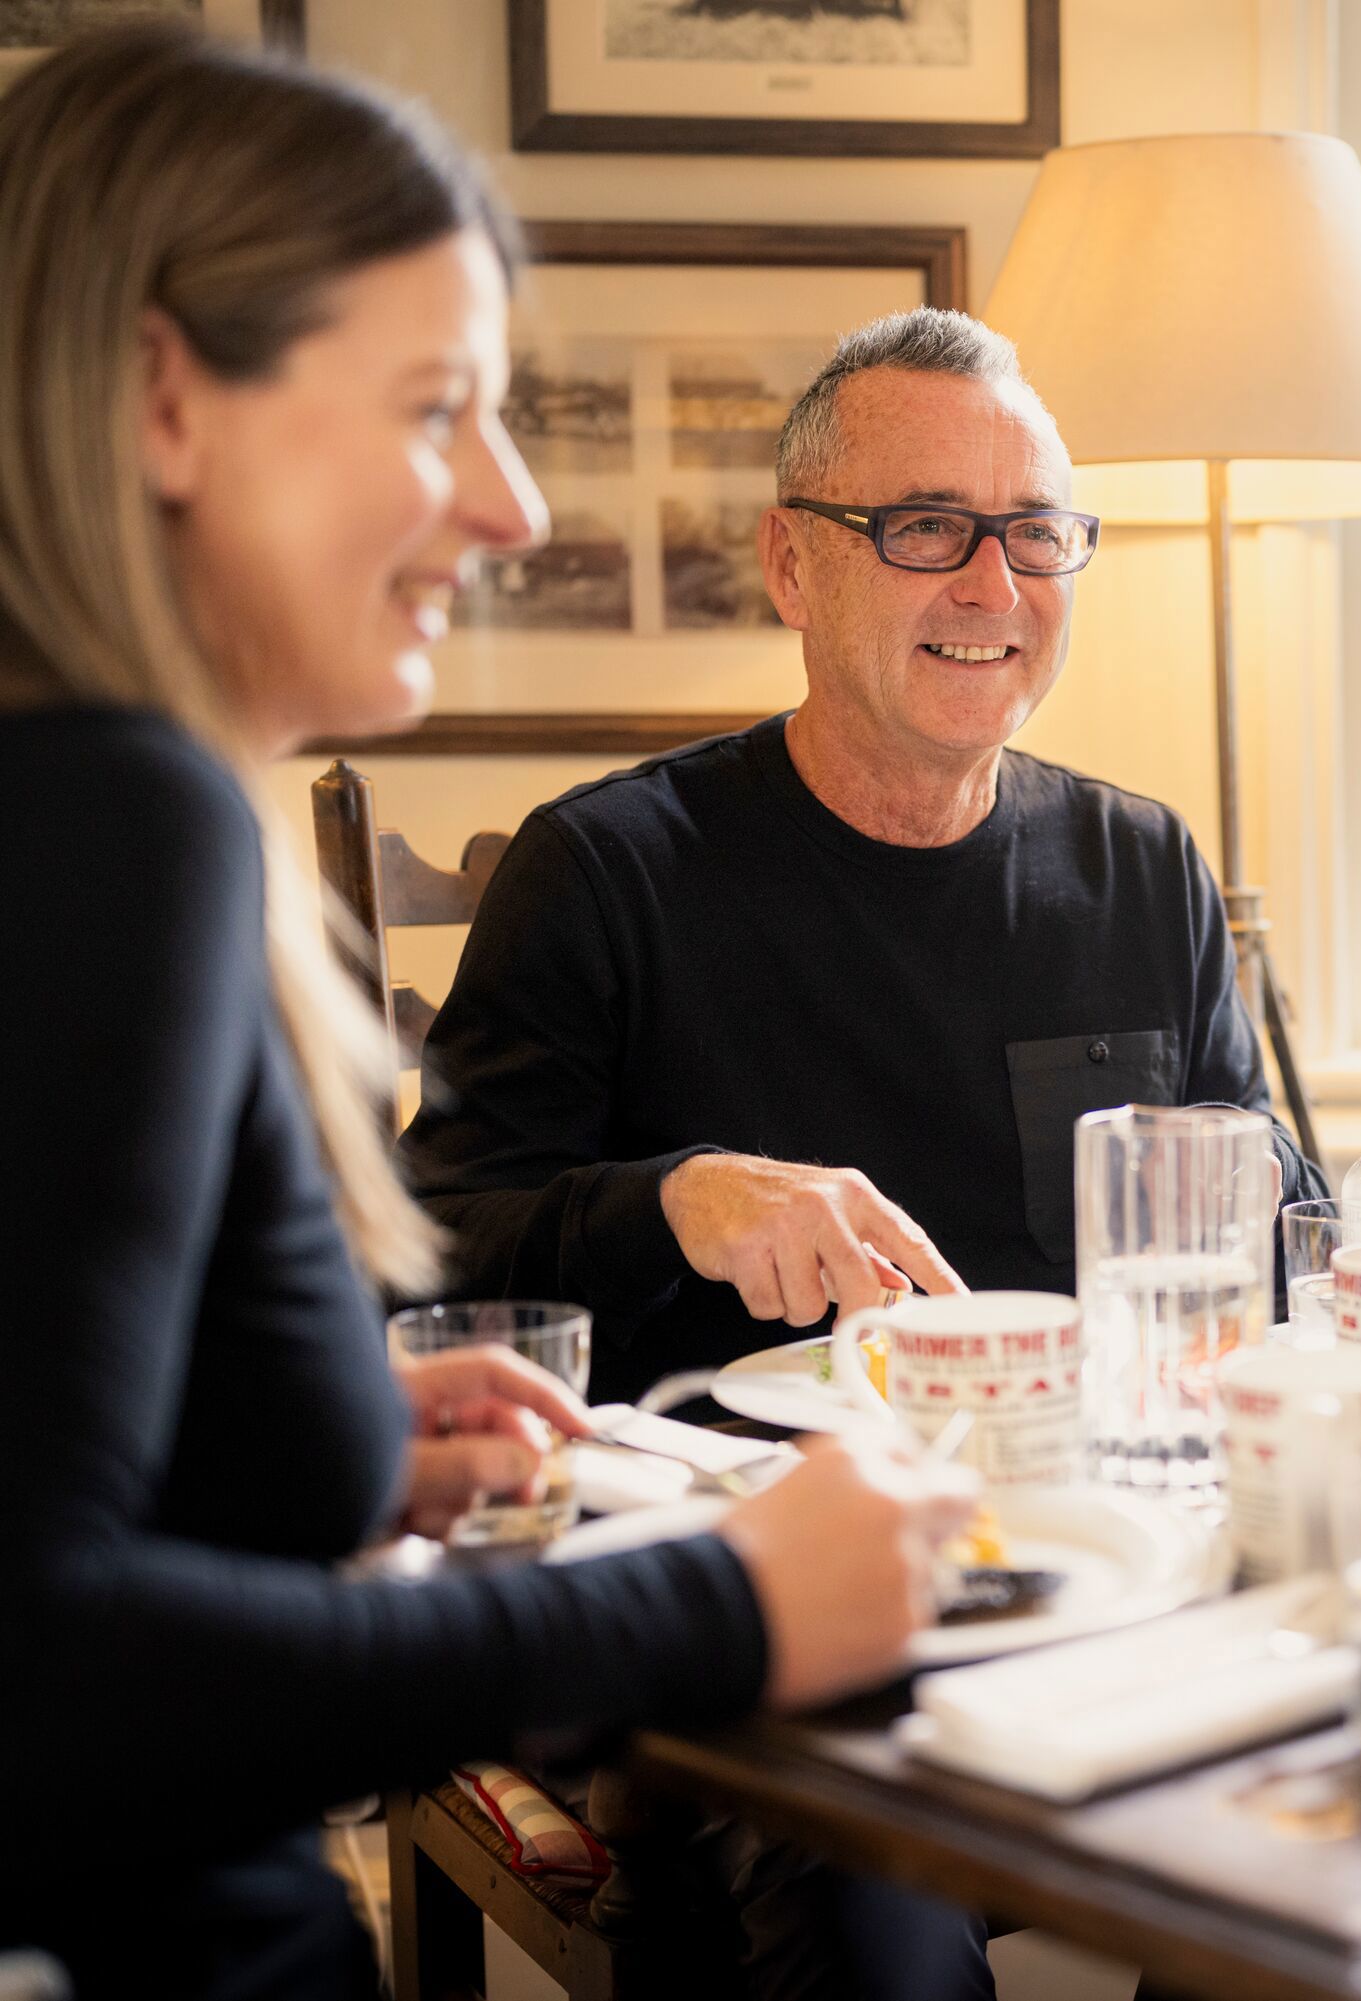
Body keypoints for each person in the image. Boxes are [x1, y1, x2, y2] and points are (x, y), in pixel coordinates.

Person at [0, 26, 985, 2001]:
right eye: (438, 406)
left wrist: (314, 1433)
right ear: (165, 401)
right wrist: (721, 1601)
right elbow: (31, 1673)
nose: (515, 505)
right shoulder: (116, 819)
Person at [398, 307, 1323, 1404]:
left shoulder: (1146, 866)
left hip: (1083, 1474)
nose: (995, 588)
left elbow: (1290, 1240)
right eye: (926, 526)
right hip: (735, 1483)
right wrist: (674, 1202)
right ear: (791, 566)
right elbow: (427, 1264)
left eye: (1035, 532)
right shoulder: (602, 873)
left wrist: (1248, 1174)